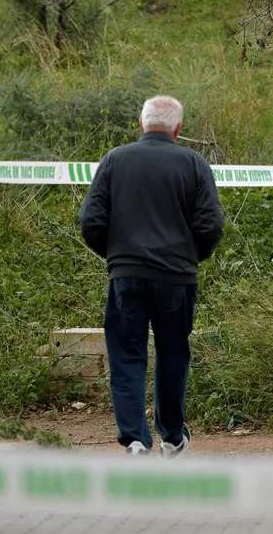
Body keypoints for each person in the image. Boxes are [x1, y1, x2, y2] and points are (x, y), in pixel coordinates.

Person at [79, 95, 225, 457]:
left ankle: (134, 439)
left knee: (127, 355)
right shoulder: (193, 163)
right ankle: (172, 436)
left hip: (127, 276)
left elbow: (90, 221)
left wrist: (117, 258)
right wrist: (192, 257)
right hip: (177, 277)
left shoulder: (115, 160)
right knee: (173, 353)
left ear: (141, 124)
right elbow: (211, 223)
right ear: (178, 128)